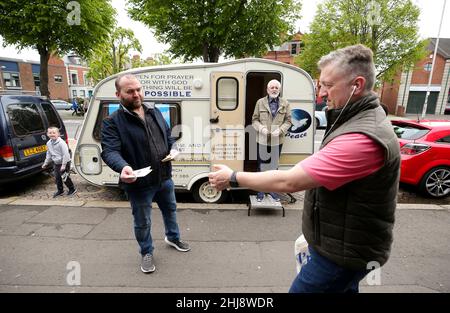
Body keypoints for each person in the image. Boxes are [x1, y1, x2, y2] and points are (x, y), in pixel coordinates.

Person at [209, 44, 400, 293]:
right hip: (338, 243)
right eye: (320, 84)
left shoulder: (363, 138)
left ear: (357, 85)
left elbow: (289, 182)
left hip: (340, 255)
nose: (321, 94)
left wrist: (232, 177)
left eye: (328, 85)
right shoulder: (352, 118)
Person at [101, 74, 190, 274]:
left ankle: (173, 237)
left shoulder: (153, 111)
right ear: (118, 94)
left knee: (171, 210)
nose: (136, 94)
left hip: (164, 177)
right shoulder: (112, 122)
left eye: (138, 89)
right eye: (130, 91)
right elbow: (109, 151)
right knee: (143, 221)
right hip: (139, 184)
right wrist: (122, 167)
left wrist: (173, 148)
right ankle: (146, 251)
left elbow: (167, 136)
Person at [251, 79, 292, 202]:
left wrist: (280, 130)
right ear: (267, 90)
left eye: (276, 88)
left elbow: (288, 121)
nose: (274, 89)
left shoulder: (285, 103)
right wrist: (261, 128)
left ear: (279, 90)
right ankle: (261, 191)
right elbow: (254, 120)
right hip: (262, 139)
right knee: (262, 166)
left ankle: (273, 191)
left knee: (274, 167)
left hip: (277, 140)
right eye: (272, 87)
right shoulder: (260, 102)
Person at [42, 126, 77, 198]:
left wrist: (64, 165)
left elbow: (66, 155)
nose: (52, 134)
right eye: (50, 133)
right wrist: (45, 163)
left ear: (58, 134)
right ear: (47, 134)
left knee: (64, 177)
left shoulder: (61, 143)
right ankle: (60, 190)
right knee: (57, 177)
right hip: (56, 163)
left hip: (64, 162)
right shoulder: (48, 143)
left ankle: (72, 189)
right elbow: (48, 154)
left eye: (54, 133)